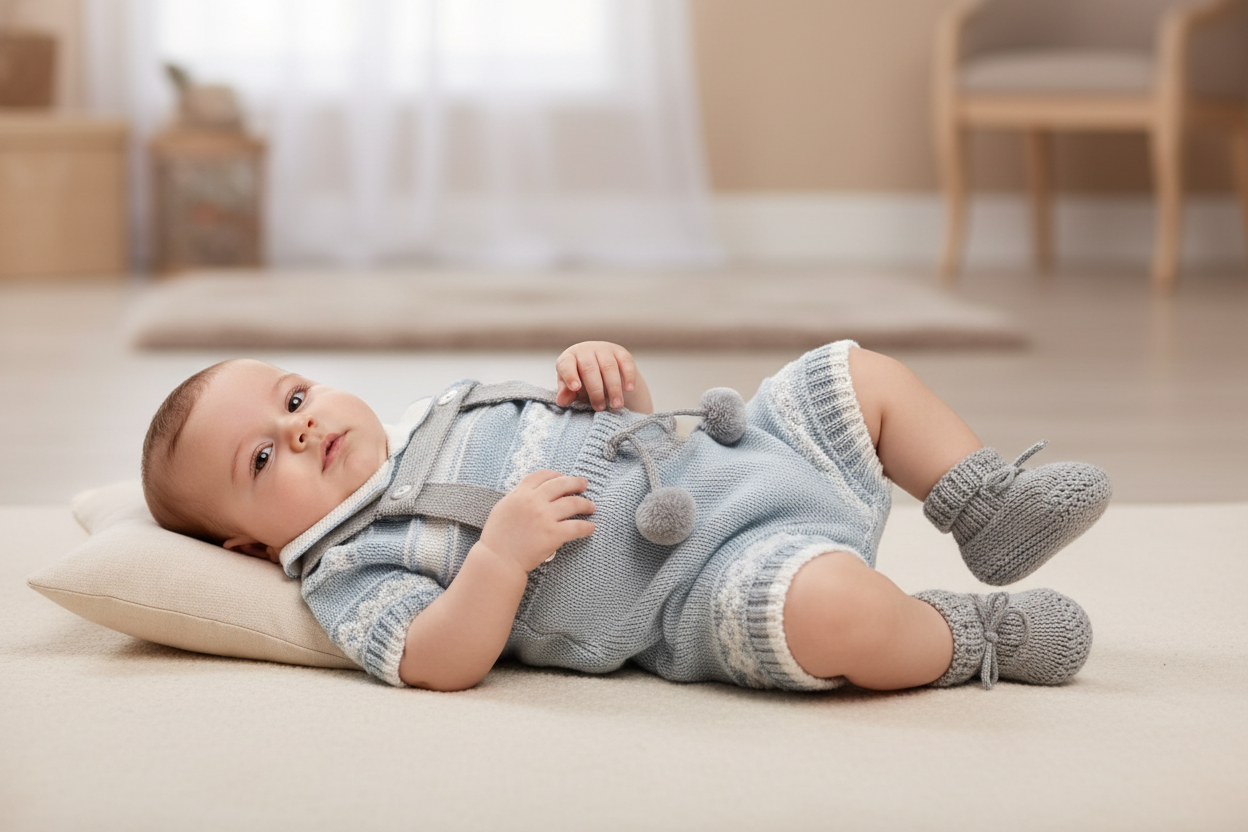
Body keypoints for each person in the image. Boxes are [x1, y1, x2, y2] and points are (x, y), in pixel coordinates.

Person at [140, 340, 1110, 693]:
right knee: (838, 616)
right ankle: (968, 635)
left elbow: (618, 431)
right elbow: (436, 658)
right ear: (245, 542)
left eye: (296, 398)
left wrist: (610, 375)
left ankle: (986, 501)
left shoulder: (442, 408)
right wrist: (502, 559)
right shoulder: (349, 565)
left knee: (853, 372)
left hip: (735, 454)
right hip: (706, 583)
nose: (301, 430)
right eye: (262, 456)